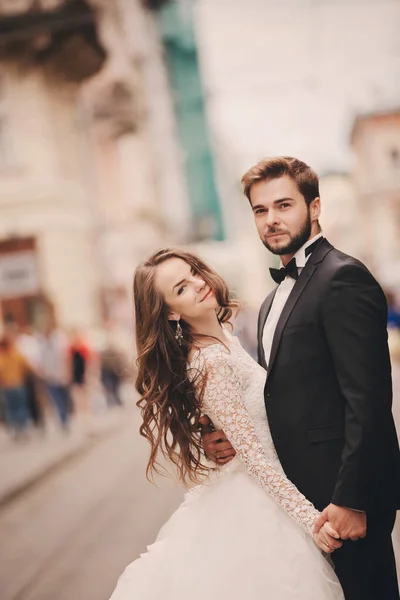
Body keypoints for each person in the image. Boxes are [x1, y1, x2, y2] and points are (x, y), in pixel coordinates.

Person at [202, 157, 400, 600]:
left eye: (284, 205)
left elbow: (367, 401)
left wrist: (353, 499)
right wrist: (224, 435)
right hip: (297, 506)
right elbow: (278, 395)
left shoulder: (342, 277)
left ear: (314, 207)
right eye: (259, 210)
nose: (271, 219)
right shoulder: (272, 301)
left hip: (343, 504)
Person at [109, 248, 344, 600]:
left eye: (193, 274)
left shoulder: (224, 341)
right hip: (259, 509)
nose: (199, 284)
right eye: (181, 289)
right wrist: (311, 521)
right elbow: (254, 458)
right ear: (171, 312)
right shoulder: (211, 362)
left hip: (269, 492)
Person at [0, 330, 32, 438]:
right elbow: (26, 366)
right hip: (13, 385)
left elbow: (25, 366)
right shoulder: (14, 354)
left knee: (16, 407)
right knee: (16, 407)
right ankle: (19, 429)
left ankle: (20, 429)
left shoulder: (9, 355)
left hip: (13, 385)